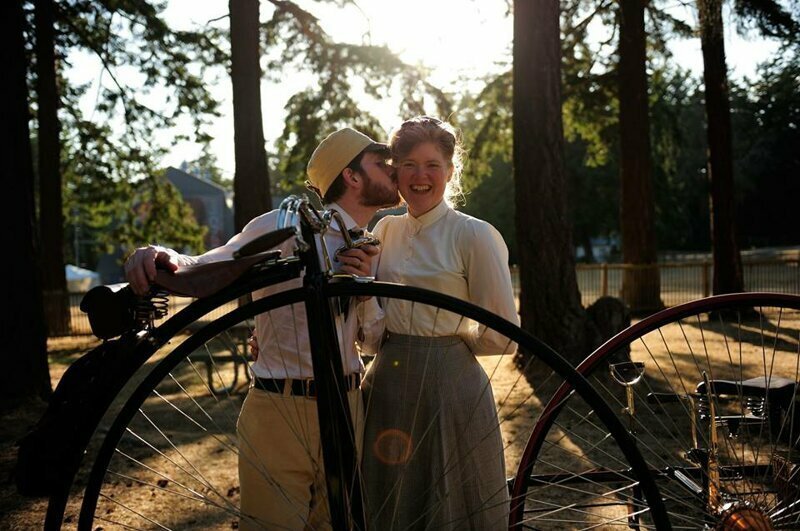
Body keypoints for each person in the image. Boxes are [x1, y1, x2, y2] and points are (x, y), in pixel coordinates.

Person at [124, 127, 399, 530]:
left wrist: (365, 291)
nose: (393, 171)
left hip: (348, 405)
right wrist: (160, 256)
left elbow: (373, 342)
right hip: (281, 408)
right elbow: (216, 261)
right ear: (352, 176)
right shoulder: (288, 226)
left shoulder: (369, 245)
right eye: (381, 163)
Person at [361, 116, 519, 530]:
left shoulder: (474, 235)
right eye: (409, 163)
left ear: (450, 171)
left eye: (432, 164)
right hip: (387, 386)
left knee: (454, 504)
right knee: (390, 501)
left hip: (452, 388)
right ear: (394, 171)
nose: (420, 175)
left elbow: (504, 335)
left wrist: (452, 342)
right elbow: (372, 331)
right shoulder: (384, 230)